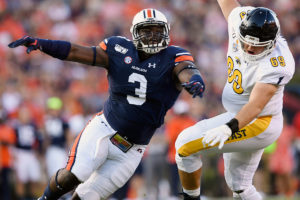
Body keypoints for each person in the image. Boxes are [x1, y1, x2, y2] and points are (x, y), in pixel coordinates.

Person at [8, 8, 205, 200]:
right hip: (103, 130)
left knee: (88, 196)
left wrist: (195, 79)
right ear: (135, 32)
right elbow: (77, 51)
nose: (153, 36)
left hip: (133, 148)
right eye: (147, 31)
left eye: (158, 31)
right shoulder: (118, 49)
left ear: (167, 32)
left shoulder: (174, 56)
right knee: (73, 175)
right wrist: (43, 43)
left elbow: (186, 69)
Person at [174, 0, 295, 199]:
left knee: (184, 144)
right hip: (239, 116)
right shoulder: (240, 20)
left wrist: (228, 127)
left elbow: (255, 106)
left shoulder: (277, 63)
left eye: (256, 46)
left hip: (259, 122)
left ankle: (191, 197)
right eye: (245, 41)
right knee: (239, 186)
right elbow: (227, 3)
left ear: (271, 43)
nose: (248, 48)